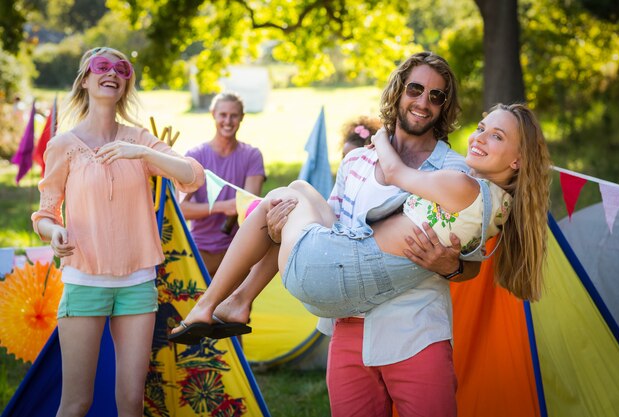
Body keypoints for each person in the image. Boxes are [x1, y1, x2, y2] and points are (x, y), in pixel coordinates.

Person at [169, 102, 550, 343]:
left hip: (331, 269)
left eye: (496, 135)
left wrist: (382, 135)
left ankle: (207, 305)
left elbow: (395, 170)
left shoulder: (462, 184)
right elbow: (464, 265)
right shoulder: (499, 210)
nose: (479, 137)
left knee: (277, 198)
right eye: (482, 126)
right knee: (299, 187)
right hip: (352, 274)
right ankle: (238, 303)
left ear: (517, 160)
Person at [31, 47, 205, 417]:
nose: (112, 73)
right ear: (85, 79)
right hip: (84, 280)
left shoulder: (139, 139)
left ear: (127, 83)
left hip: (137, 283)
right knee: (76, 402)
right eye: (102, 66)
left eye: (122, 68)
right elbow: (45, 214)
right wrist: (54, 231)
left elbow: (192, 176)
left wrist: (140, 153)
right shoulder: (64, 144)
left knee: (130, 401)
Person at [180, 92, 265, 278]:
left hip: (236, 250)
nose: (228, 121)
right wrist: (221, 207)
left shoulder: (252, 156)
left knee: (232, 307)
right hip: (199, 249)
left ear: (242, 117)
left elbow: (251, 209)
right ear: (213, 114)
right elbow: (180, 209)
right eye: (223, 115)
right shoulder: (196, 156)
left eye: (234, 115)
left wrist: (239, 207)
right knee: (197, 307)